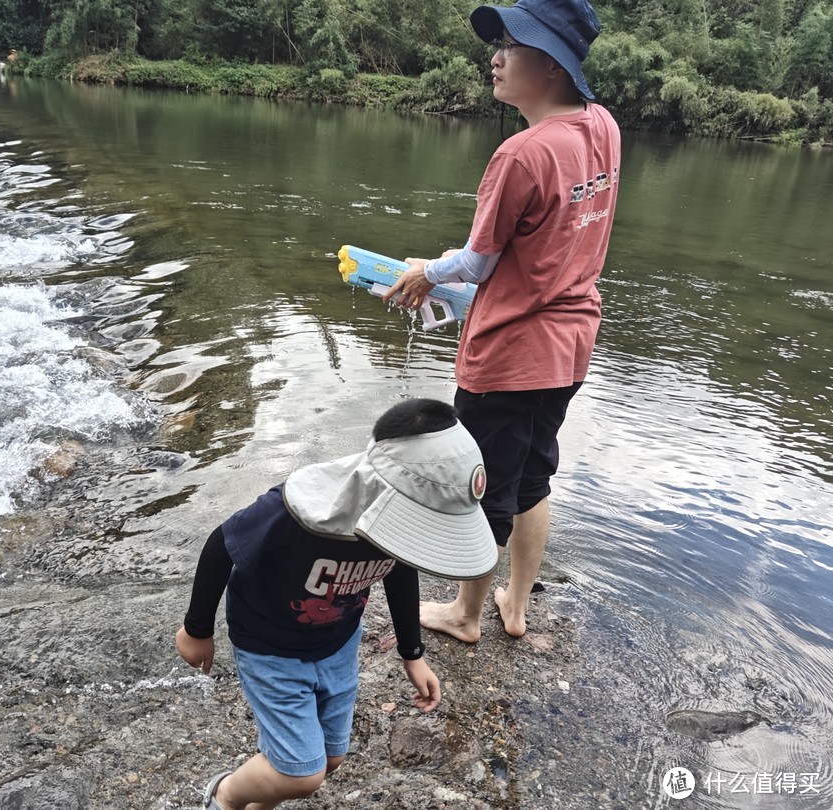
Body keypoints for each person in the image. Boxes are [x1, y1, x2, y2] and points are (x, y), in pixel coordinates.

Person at [383, 0, 621, 641]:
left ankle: (464, 615)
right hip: (570, 347)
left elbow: (482, 263)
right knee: (535, 475)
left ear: (547, 65)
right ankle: (514, 603)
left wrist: (427, 271)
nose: (494, 58)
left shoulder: (521, 153)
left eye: (508, 47)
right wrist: (444, 275)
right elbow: (542, 248)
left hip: (511, 357)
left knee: (482, 486)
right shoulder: (602, 126)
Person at [175, 398, 498, 809]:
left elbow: (400, 570)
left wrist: (412, 653)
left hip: (338, 644)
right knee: (302, 772)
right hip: (270, 646)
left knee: (331, 757)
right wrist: (197, 629)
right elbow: (223, 543)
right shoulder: (296, 512)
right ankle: (223, 797)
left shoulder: (399, 530)